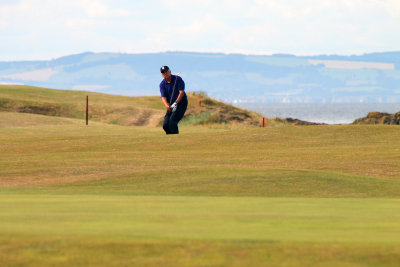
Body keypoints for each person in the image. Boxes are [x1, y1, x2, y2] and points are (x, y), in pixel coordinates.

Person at [159, 66, 188, 134]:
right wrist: (166, 105)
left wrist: (176, 102)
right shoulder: (162, 84)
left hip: (181, 103)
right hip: (171, 105)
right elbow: (163, 97)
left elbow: (181, 93)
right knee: (165, 125)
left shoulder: (178, 79)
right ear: (162, 75)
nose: (165, 74)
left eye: (166, 72)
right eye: (163, 73)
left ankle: (175, 139)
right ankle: (170, 139)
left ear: (170, 71)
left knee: (172, 122)